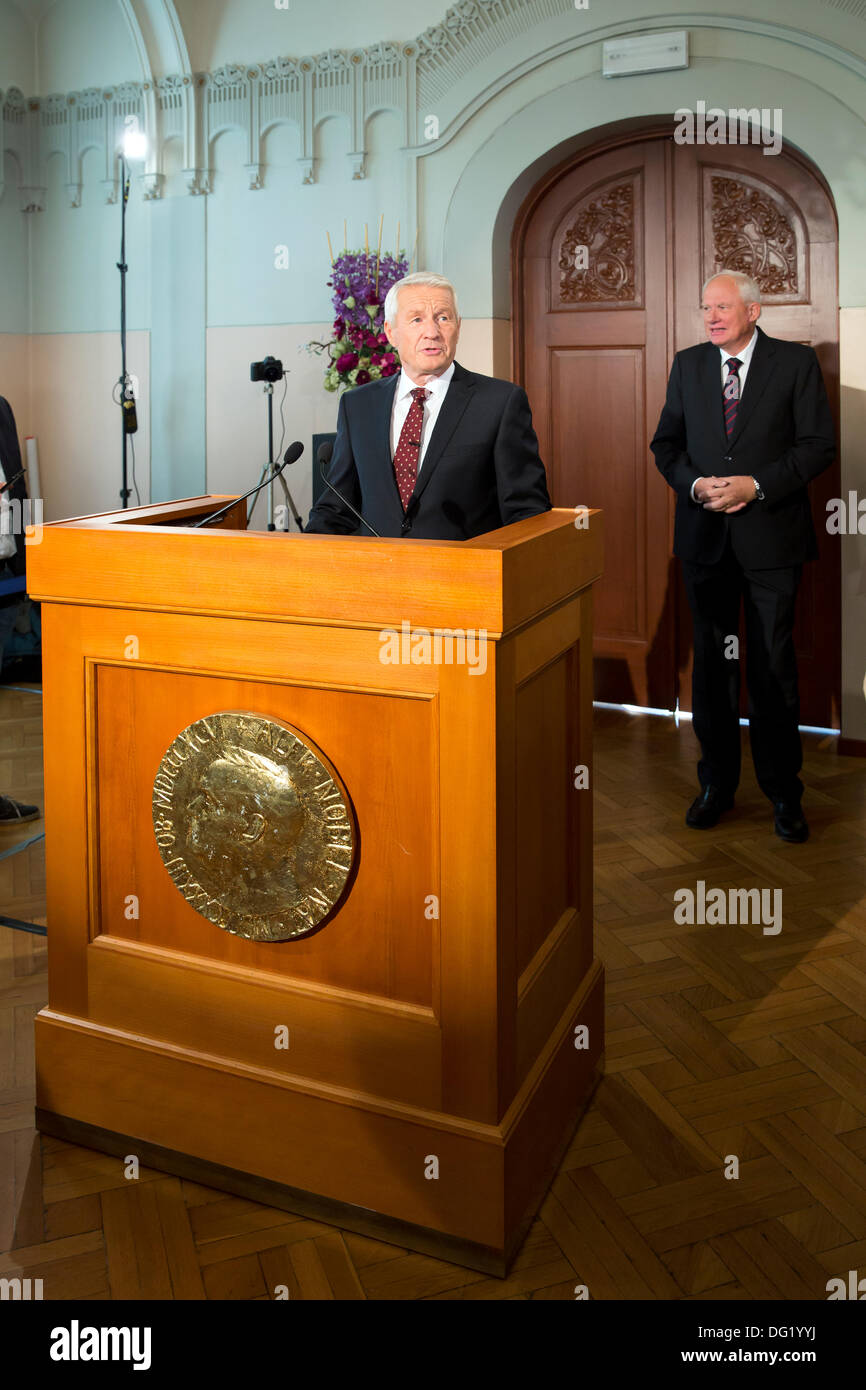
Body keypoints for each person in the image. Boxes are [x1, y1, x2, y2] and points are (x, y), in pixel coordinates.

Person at [651, 270, 835, 843]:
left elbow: (817, 447)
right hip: (705, 542)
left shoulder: (795, 364)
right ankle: (716, 786)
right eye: (705, 307)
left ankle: (785, 793)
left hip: (771, 541)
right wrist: (696, 484)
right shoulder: (689, 365)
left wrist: (754, 485)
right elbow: (667, 445)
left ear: (753, 311)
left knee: (773, 667)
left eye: (723, 306)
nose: (711, 316)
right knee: (712, 667)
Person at [305, 272, 551, 540]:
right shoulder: (358, 405)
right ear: (391, 332)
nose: (432, 332)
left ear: (458, 327)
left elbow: (528, 514)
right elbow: (337, 507)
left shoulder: (500, 403)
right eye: (416, 319)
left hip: (466, 576)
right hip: (378, 576)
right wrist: (301, 558)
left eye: (443, 318)